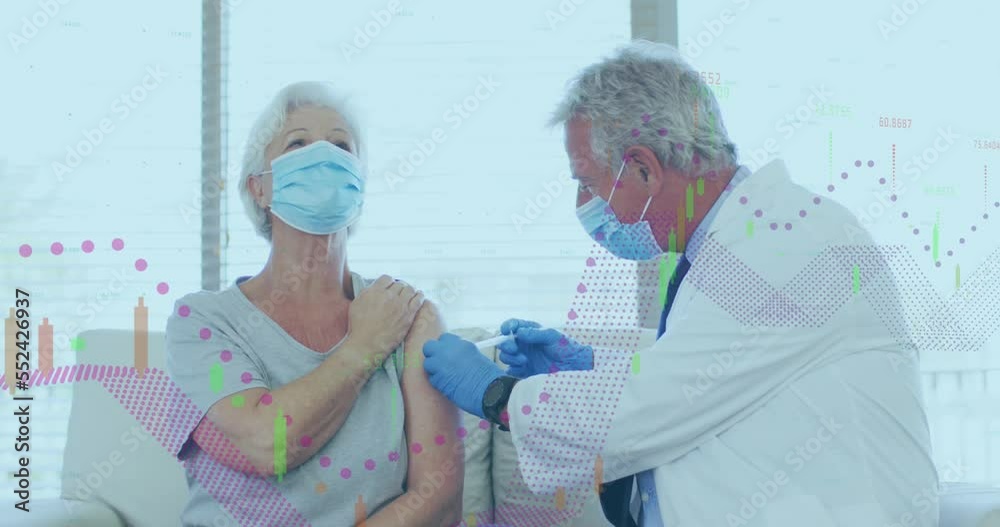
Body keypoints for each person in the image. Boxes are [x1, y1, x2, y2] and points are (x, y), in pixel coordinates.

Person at [422, 41, 938, 526]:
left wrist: (496, 394)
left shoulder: (788, 242)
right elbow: (715, 374)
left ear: (644, 168)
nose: (583, 206)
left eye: (586, 182)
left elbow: (654, 403)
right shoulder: (733, 246)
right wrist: (591, 368)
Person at [165, 81, 463, 526]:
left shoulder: (409, 315)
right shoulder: (203, 321)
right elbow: (266, 443)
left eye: (342, 145)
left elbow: (438, 499)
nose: (324, 155)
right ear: (259, 189)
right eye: (298, 142)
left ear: (359, 184)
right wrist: (364, 346)